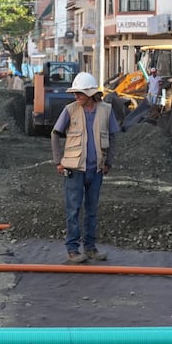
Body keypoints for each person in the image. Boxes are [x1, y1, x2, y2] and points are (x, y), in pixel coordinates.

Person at [51, 71, 121, 264]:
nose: (76, 96)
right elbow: (55, 133)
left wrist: (109, 162)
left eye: (80, 93)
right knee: (73, 210)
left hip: (96, 170)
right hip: (74, 170)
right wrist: (58, 161)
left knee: (91, 210)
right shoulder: (70, 110)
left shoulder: (106, 110)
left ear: (90, 93)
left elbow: (113, 137)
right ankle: (72, 249)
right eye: (75, 93)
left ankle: (90, 248)